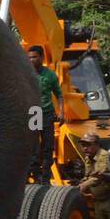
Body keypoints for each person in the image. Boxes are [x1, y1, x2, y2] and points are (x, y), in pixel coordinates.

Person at [27, 45, 63, 182]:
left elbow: (59, 95)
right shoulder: (26, 74)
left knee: (48, 147)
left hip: (47, 113)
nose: (31, 60)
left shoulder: (50, 75)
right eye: (29, 57)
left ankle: (46, 177)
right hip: (33, 113)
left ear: (41, 57)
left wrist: (61, 111)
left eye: (34, 57)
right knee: (34, 148)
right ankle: (35, 176)